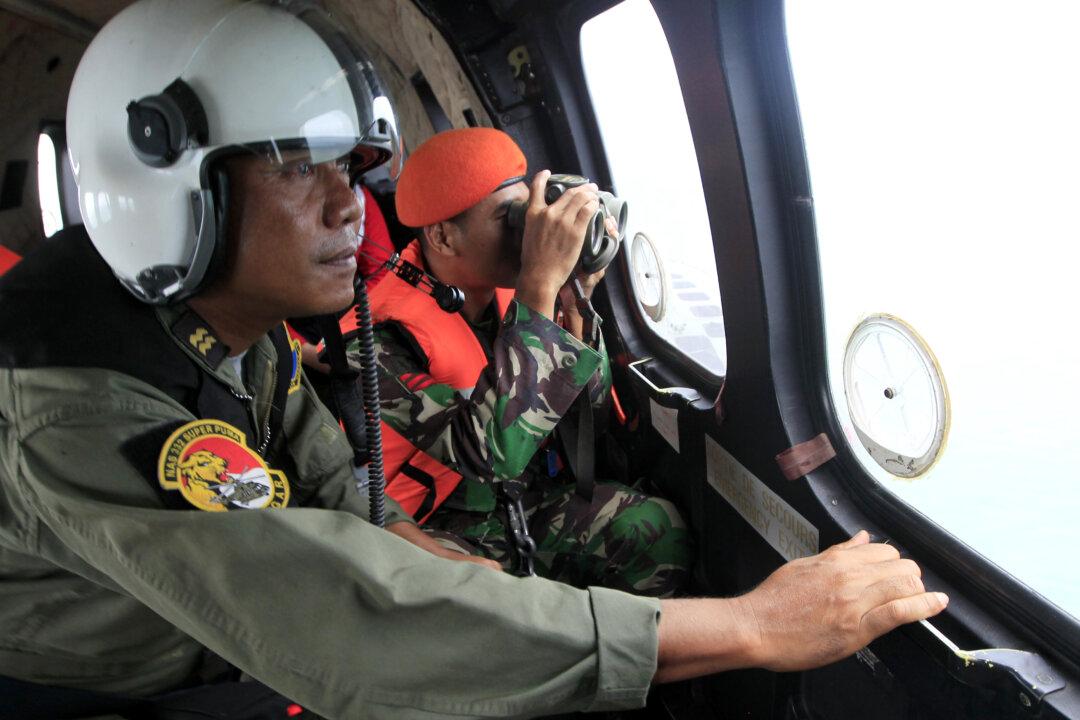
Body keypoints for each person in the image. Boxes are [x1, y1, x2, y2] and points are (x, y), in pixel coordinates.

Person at [0, 1, 948, 718]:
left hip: (261, 606)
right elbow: (353, 603)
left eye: (349, 169)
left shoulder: (234, 332)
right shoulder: (86, 401)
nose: (350, 207)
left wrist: (569, 300)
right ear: (176, 195)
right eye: (297, 168)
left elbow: (337, 497)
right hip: (125, 676)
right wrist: (751, 626)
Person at [341, 127, 690, 596]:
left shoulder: (514, 294)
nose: (532, 232)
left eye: (530, 211)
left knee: (655, 528)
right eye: (511, 219)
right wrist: (540, 287)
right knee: (477, 598)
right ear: (443, 236)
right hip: (438, 526)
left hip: (523, 500)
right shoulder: (375, 337)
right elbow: (488, 456)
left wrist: (574, 299)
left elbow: (593, 413)